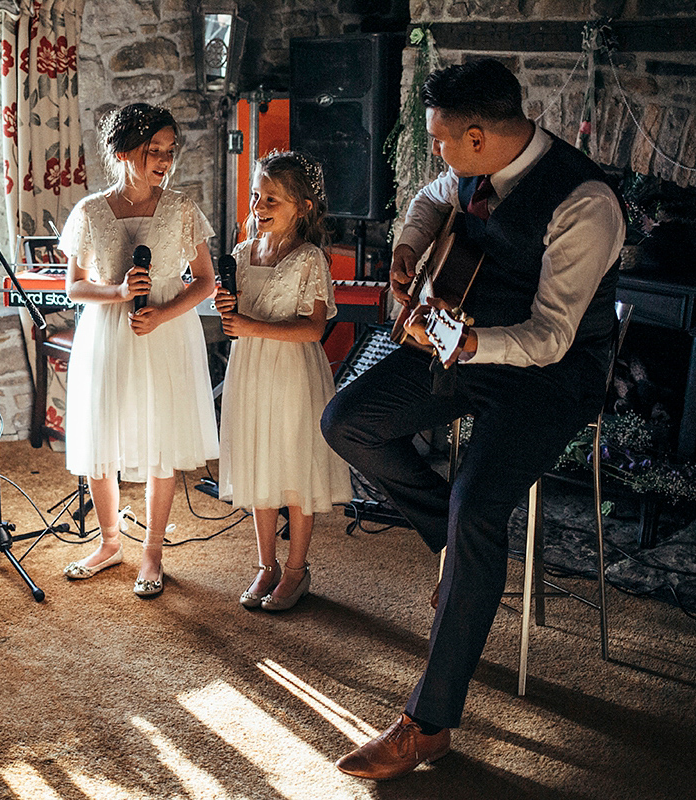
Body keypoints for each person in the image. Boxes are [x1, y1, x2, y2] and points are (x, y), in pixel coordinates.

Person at [321, 58, 624, 779]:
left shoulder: (586, 203)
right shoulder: (469, 169)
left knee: (478, 506)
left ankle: (427, 725)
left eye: (444, 141)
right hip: (462, 342)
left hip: (546, 381)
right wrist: (407, 246)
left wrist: (468, 341)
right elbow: (431, 198)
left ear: (482, 136)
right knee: (348, 420)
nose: (437, 154)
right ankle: (451, 547)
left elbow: (551, 338)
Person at [58, 103, 219, 598]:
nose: (165, 161)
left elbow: (207, 284)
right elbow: (74, 287)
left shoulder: (182, 210)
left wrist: (161, 313)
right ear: (124, 151)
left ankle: (152, 550)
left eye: (170, 152)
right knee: (101, 432)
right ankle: (109, 543)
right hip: (107, 331)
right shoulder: (89, 212)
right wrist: (119, 294)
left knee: (160, 438)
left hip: (165, 333)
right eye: (154, 150)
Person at [215, 151, 352, 612]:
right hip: (250, 370)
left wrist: (249, 326)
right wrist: (228, 310)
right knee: (259, 462)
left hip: (294, 374)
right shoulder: (241, 253)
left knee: (293, 466)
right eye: (257, 195)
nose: (260, 205)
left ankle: (296, 571)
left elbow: (314, 329)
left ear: (304, 207)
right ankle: (265, 565)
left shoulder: (309, 258)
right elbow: (237, 313)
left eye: (272, 197)